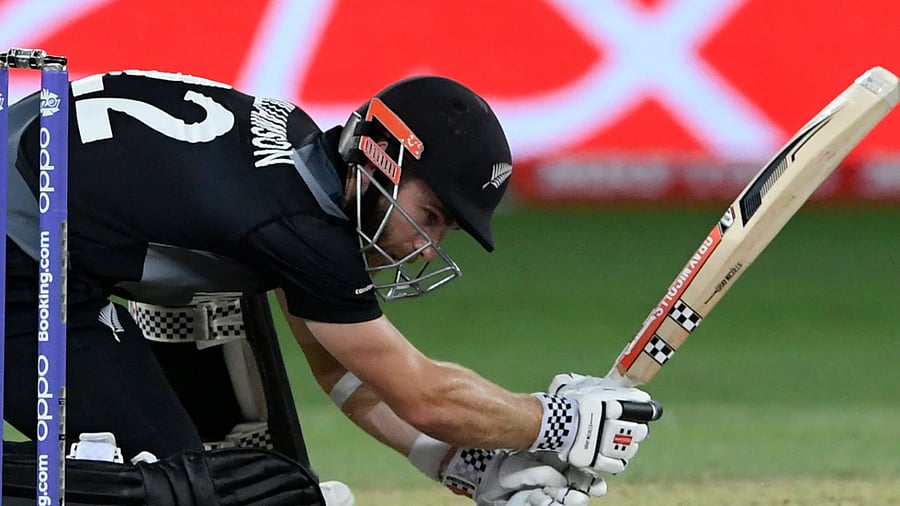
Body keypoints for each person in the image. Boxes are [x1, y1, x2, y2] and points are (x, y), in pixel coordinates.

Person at [3, 69, 661, 504]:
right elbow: (424, 395)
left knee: (180, 472)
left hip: (41, 253)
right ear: (382, 158)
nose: (426, 245)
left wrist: (460, 462)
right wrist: (553, 421)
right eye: (430, 217)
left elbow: (340, 373)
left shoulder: (298, 163)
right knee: (175, 489)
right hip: (17, 259)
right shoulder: (299, 227)